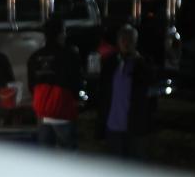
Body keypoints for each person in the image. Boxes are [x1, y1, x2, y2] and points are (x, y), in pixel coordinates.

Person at [95, 24, 157, 158]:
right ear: (118, 41)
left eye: (130, 40)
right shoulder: (111, 63)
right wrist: (100, 127)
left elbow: (151, 89)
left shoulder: (143, 64)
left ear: (135, 42)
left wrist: (138, 60)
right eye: (123, 39)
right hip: (113, 127)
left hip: (135, 127)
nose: (126, 43)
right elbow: (103, 95)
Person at [29, 16, 82, 149]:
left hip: (42, 111)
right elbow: (76, 83)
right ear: (60, 34)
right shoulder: (70, 55)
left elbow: (31, 86)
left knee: (46, 156)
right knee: (68, 152)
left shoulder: (34, 57)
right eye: (64, 31)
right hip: (63, 111)